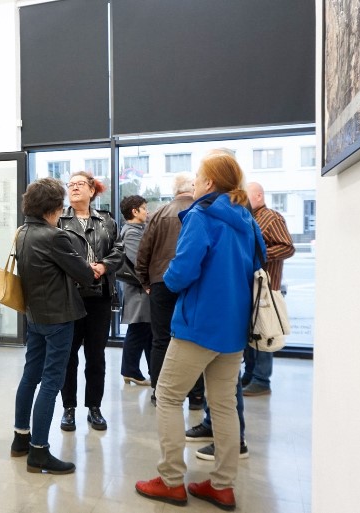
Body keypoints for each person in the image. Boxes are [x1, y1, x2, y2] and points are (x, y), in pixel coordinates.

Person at [135, 151, 265, 511]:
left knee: (167, 396)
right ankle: (222, 486)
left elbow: (180, 274)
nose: (194, 182)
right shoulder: (246, 217)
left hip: (198, 325)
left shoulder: (202, 215)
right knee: (224, 404)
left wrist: (171, 273)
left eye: (197, 176)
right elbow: (259, 261)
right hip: (234, 328)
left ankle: (171, 481)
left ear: (209, 182)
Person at [9, 177, 95, 475]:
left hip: (34, 315)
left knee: (30, 376)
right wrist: (89, 267)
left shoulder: (22, 232)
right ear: (54, 208)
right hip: (58, 317)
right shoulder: (55, 236)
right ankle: (39, 452)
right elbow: (85, 275)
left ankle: (21, 438)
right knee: (51, 382)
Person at [57, 171, 120, 432]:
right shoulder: (59, 220)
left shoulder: (106, 220)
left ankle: (94, 407)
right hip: (70, 297)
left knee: (96, 356)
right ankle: (68, 408)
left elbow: (119, 250)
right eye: (71, 184)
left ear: (92, 191)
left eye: (80, 184)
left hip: (99, 297)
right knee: (68, 355)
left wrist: (103, 266)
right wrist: (82, 269)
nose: (74, 188)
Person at [135, 173, 195, 406]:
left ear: (175, 190)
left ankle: (158, 392)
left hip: (161, 282)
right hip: (193, 284)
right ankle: (197, 395)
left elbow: (144, 251)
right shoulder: (201, 211)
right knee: (195, 340)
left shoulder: (159, 213)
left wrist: (146, 282)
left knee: (160, 339)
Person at [242, 181, 295, 396]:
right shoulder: (249, 218)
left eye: (246, 196)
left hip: (267, 287)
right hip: (252, 286)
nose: (243, 201)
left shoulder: (272, 218)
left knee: (265, 331)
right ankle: (250, 374)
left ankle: (262, 380)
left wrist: (261, 255)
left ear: (259, 196)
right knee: (252, 331)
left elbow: (288, 247)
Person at [118, 195, 152, 387]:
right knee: (139, 328)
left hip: (141, 288)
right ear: (135, 211)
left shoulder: (139, 229)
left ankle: (146, 370)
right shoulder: (131, 233)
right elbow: (140, 261)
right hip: (139, 289)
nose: (147, 212)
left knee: (146, 329)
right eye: (144, 208)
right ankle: (130, 370)